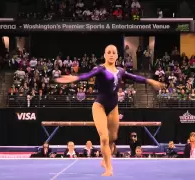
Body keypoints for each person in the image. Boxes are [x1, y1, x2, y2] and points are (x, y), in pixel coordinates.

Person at [55, 44, 164, 176]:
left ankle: (105, 157)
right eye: (109, 52)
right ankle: (108, 167)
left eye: (114, 52)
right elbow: (88, 75)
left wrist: (150, 81)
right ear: (105, 55)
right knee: (105, 137)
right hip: (99, 106)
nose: (111, 54)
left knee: (113, 137)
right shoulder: (100, 69)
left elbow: (135, 78)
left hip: (113, 106)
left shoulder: (121, 71)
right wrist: (75, 78)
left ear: (117, 55)